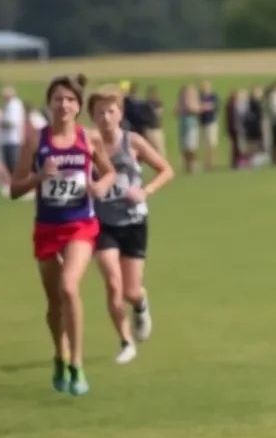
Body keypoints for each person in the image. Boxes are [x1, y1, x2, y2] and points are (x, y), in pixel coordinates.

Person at [11, 75, 116, 396]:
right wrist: (40, 177)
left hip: (80, 226)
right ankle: (60, 353)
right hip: (47, 227)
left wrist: (100, 185)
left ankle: (78, 365)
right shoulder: (35, 141)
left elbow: (109, 171)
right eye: (58, 99)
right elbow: (15, 189)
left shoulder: (89, 138)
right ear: (49, 104)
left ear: (79, 106)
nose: (64, 105)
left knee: (69, 288)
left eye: (70, 100)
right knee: (54, 302)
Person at [88, 85, 174, 364]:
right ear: (92, 116)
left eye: (110, 111)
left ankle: (140, 303)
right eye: (99, 112)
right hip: (102, 223)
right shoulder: (87, 145)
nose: (105, 117)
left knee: (130, 290)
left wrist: (145, 191)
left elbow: (166, 170)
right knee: (113, 283)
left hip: (134, 221)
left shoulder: (132, 142)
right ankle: (125, 342)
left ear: (120, 113)